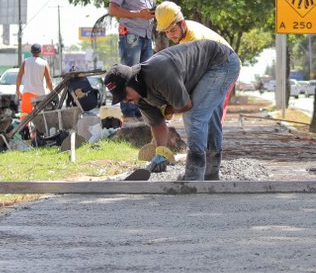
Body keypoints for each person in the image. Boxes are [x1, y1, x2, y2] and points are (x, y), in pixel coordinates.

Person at [103, 39, 241, 181]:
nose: (125, 100)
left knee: (194, 115)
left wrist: (168, 109)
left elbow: (186, 105)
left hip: (222, 62)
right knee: (208, 117)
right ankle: (210, 173)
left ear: (131, 81)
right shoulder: (138, 98)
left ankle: (194, 174)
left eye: (124, 94)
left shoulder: (158, 72)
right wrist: (160, 153)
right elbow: (157, 123)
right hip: (203, 71)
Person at [109, 0, 155, 118]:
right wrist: (138, 14)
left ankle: (143, 113)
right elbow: (113, 9)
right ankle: (129, 115)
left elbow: (146, 11)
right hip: (130, 35)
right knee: (129, 74)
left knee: (146, 76)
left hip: (147, 35)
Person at [15, 43, 54, 116]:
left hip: (27, 93)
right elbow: (48, 80)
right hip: (40, 95)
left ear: (31, 52)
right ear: (40, 52)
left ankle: (25, 127)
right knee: (40, 117)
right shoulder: (44, 63)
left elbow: (19, 76)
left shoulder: (25, 62)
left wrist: (17, 89)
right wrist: (52, 92)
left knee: (25, 116)